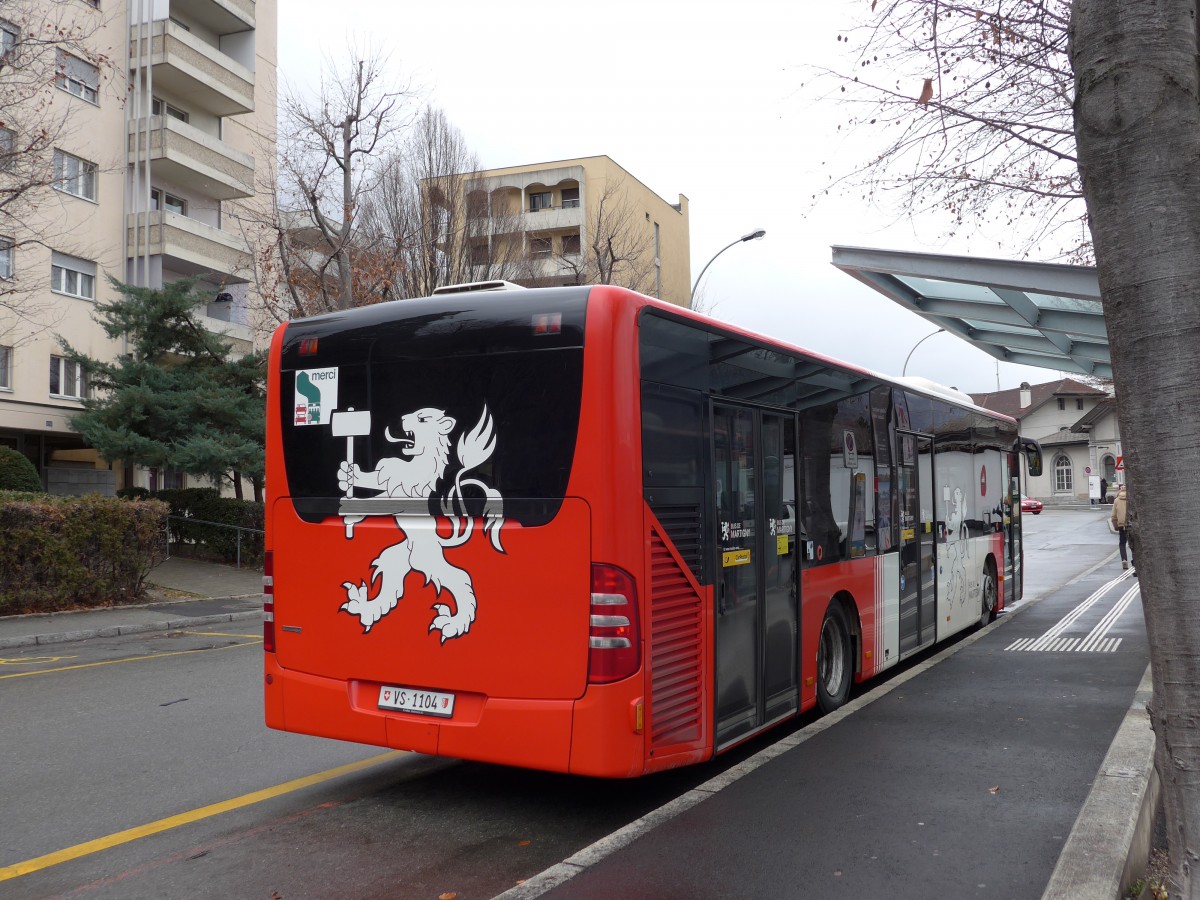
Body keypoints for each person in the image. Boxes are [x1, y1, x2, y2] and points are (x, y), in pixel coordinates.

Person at [1110, 483, 1132, 570]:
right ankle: (1134, 561)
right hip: (1131, 524)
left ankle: (1124, 559)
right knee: (1133, 543)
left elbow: (1113, 516)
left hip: (1121, 525)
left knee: (1122, 543)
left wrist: (1116, 526)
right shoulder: (1131, 499)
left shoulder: (1117, 500)